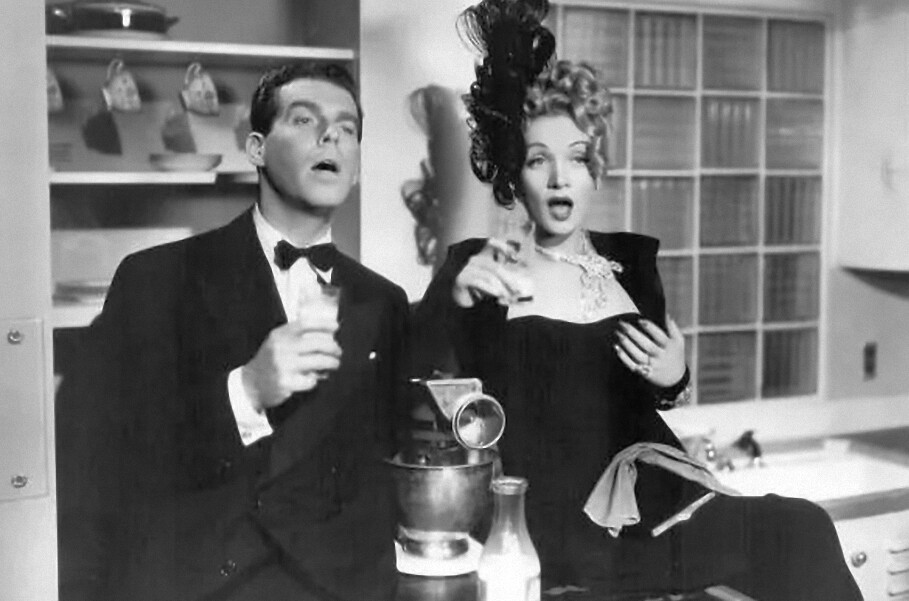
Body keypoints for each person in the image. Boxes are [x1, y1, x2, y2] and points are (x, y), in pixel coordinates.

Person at [413, 1, 863, 599]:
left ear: (595, 168)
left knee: (800, 526)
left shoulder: (632, 262)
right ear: (513, 172)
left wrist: (675, 376)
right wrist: (454, 298)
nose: (560, 178)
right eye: (539, 160)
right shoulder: (480, 266)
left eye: (577, 158)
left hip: (657, 502)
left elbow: (650, 395)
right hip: (562, 523)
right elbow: (413, 374)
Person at [55, 62, 410, 601]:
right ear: (256, 149)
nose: (331, 137)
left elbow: (391, 463)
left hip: (339, 588)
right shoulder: (156, 279)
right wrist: (245, 391)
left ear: (357, 165)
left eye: (347, 128)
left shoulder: (384, 301)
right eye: (304, 119)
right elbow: (100, 454)